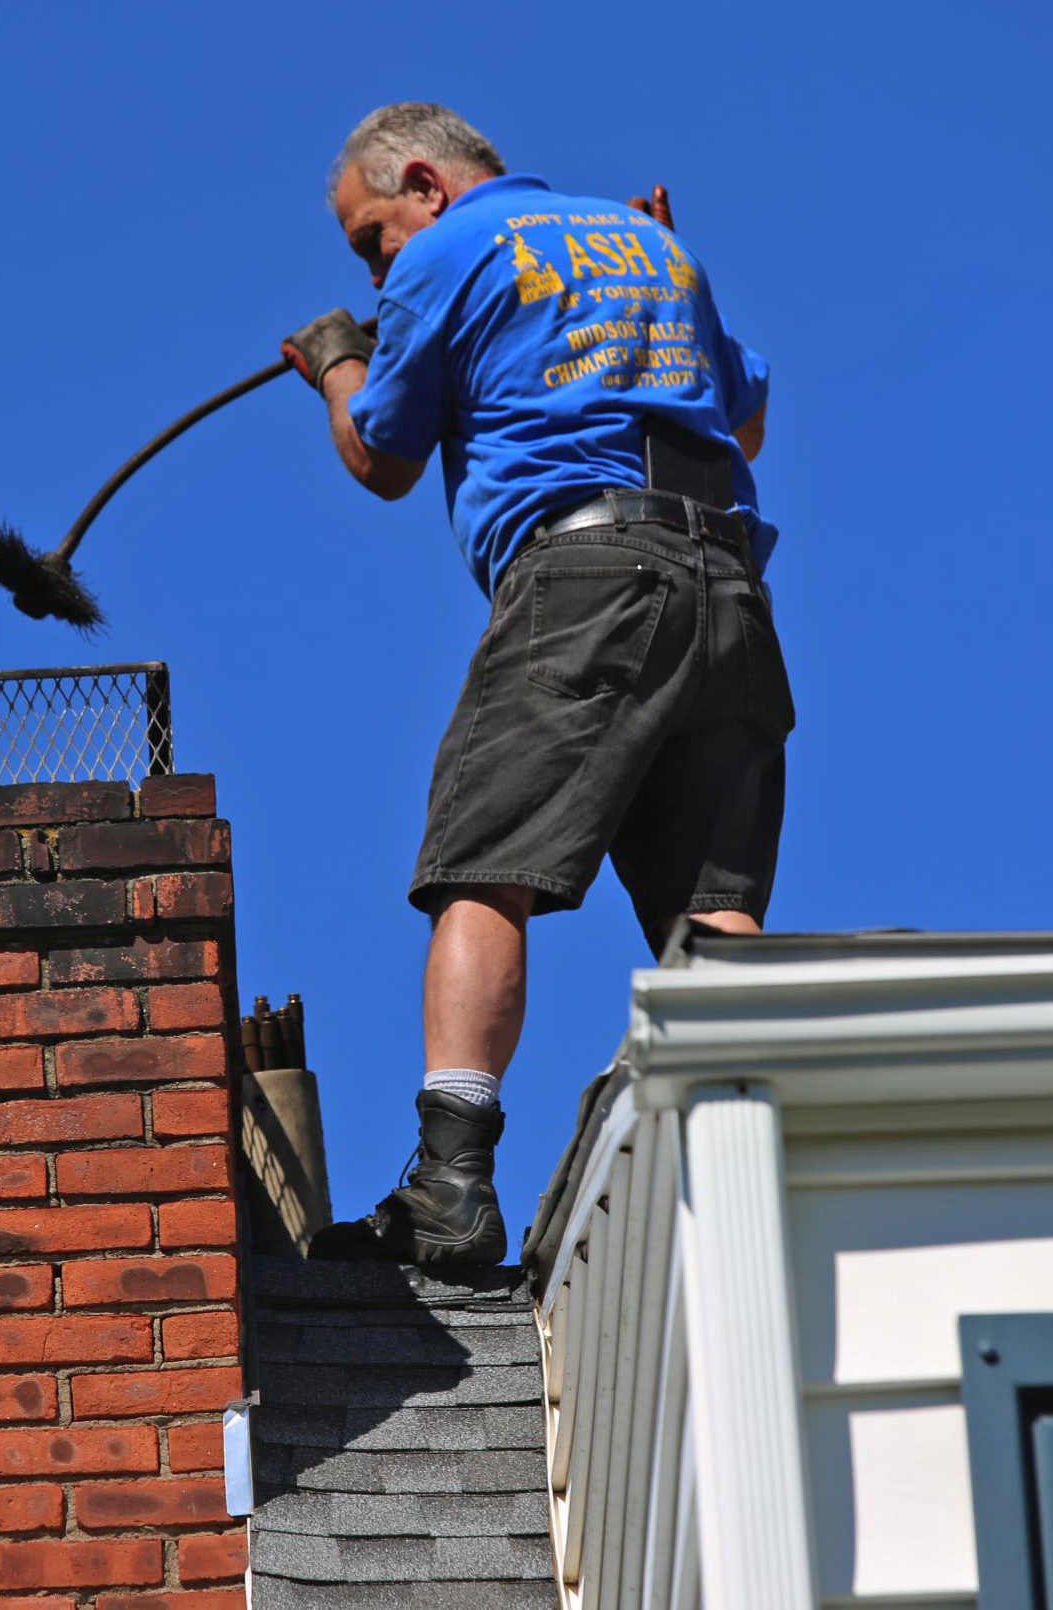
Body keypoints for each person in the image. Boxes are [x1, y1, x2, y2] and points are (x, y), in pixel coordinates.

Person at [284, 104, 794, 1267]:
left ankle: (451, 1185)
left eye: (373, 237)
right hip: (729, 588)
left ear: (421, 181)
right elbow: (746, 419)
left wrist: (336, 360)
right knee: (708, 908)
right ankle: (738, 1171)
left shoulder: (451, 251)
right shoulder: (654, 243)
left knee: (484, 861)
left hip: (586, 574)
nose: (381, 262)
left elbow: (382, 457)